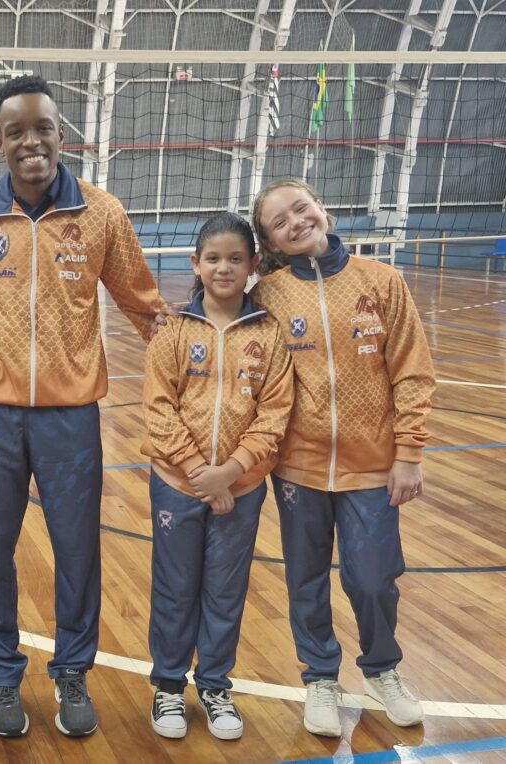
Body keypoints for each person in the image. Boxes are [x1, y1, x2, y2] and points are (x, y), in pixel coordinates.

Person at [0, 74, 166, 738]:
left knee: (77, 552)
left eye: (41, 127)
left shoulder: (101, 213)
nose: (30, 141)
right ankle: (3, 677)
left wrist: (193, 385)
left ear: (60, 133)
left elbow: (147, 311)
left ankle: (72, 674)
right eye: (14, 131)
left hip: (72, 417)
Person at [251, 179, 436, 737]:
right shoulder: (269, 297)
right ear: (273, 242)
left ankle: (382, 670)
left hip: (372, 466)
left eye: (301, 208)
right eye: (280, 222)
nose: (296, 222)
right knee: (306, 579)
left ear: (322, 208)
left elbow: (412, 371)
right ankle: (321, 679)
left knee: (374, 577)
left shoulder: (381, 282)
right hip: (297, 469)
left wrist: (408, 453)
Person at [141, 212, 293, 741]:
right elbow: (158, 408)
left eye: (234, 259)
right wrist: (196, 471)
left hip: (241, 487)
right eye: (213, 259)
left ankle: (214, 685)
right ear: (195, 265)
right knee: (176, 587)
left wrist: (230, 473)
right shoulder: (174, 330)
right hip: (176, 484)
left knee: (225, 590)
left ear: (253, 265)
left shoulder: (270, 334)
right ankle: (167, 687)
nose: (223, 268)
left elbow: (275, 413)